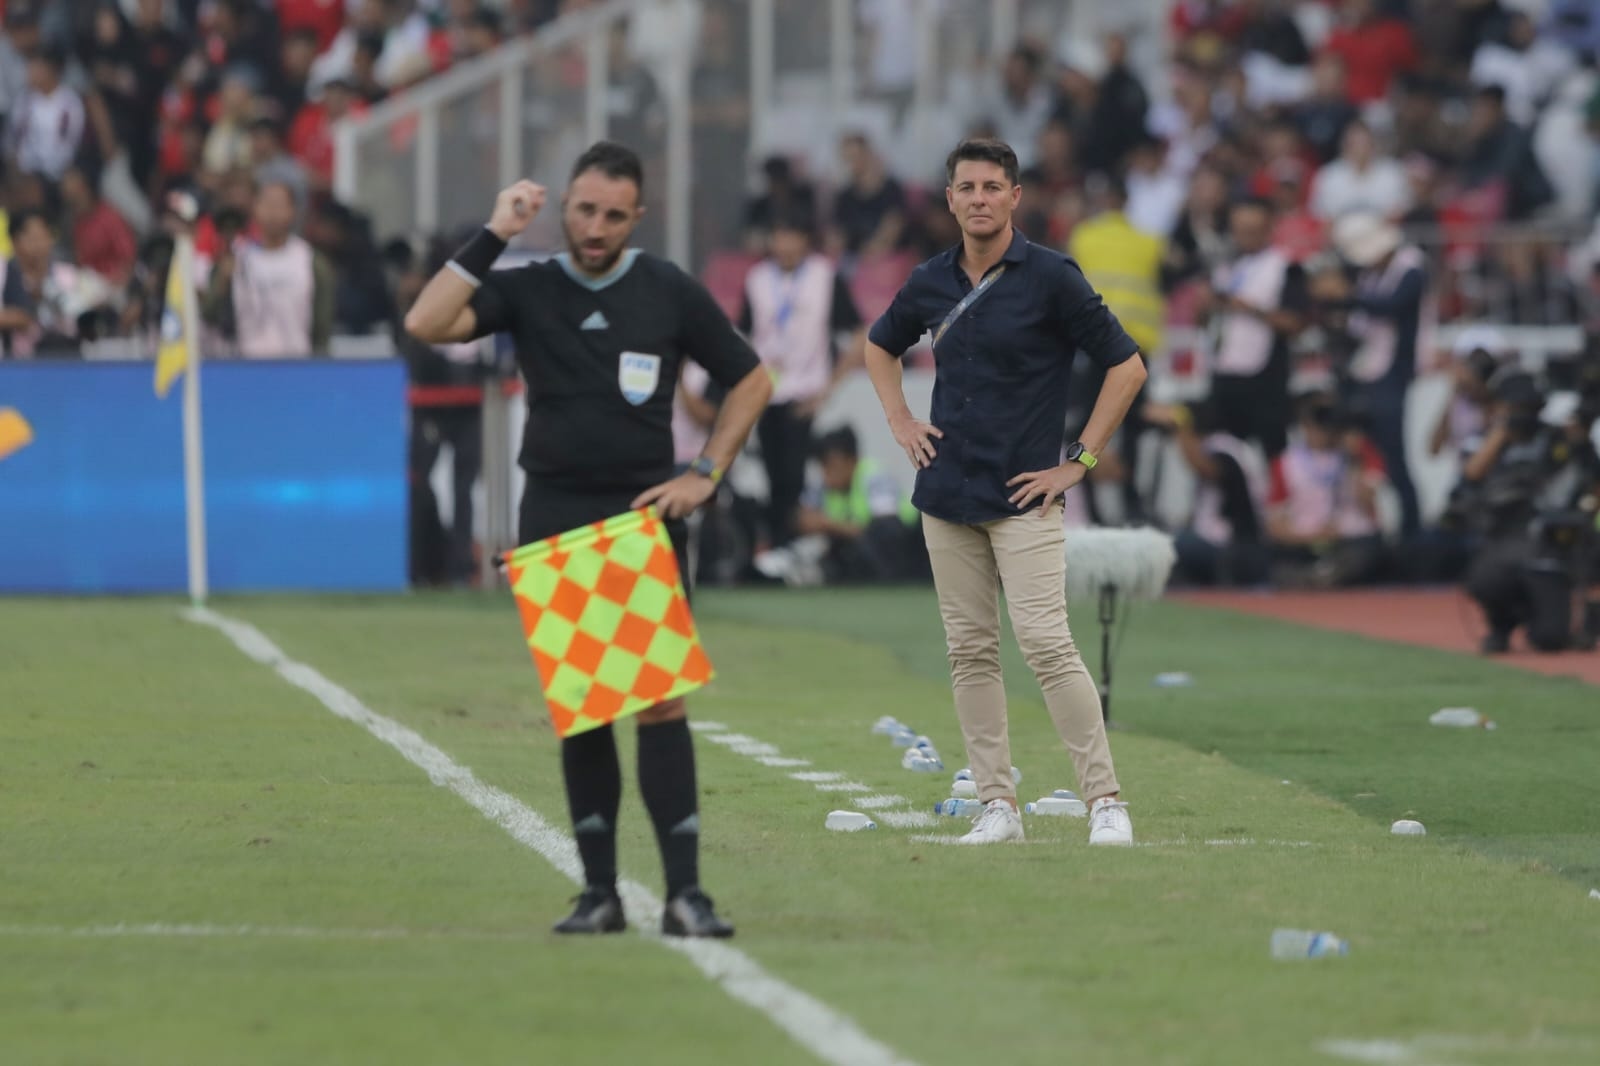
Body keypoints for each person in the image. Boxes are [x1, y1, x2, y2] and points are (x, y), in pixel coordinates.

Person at [403, 142, 772, 937]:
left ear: (636, 217)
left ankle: (686, 895)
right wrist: (496, 231)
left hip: (642, 516)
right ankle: (599, 895)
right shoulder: (530, 288)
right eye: (583, 209)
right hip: (556, 513)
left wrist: (706, 470)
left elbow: (751, 378)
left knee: (660, 704)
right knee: (584, 708)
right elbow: (426, 321)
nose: (596, 226)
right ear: (563, 206)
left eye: (612, 214)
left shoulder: (666, 288)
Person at [862, 138, 1144, 848]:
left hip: (1025, 493)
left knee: (1047, 644)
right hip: (946, 493)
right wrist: (899, 419)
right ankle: (998, 806)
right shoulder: (930, 279)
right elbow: (879, 345)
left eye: (994, 186)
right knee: (970, 653)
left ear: (1016, 197)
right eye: (968, 187)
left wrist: (1078, 461)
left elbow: (1127, 367)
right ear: (950, 199)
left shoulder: (1052, 276)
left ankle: (1105, 800)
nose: (981, 198)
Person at [737, 213, 864, 548]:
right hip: (767, 393)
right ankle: (778, 550)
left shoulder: (824, 276)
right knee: (771, 476)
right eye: (778, 236)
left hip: (808, 395)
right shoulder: (758, 278)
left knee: (798, 477)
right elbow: (744, 335)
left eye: (791, 236)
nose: (784, 245)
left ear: (806, 240)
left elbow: (860, 332)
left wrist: (828, 388)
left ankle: (799, 547)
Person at [203, 180, 335, 357]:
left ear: (293, 211)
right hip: (245, 365)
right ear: (255, 208)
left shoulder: (311, 262)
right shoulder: (236, 260)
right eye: (267, 204)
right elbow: (209, 316)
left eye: (280, 205)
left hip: (298, 363)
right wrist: (222, 282)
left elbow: (322, 325)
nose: (273, 213)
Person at [794, 425, 925, 584]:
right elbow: (803, 517)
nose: (827, 474)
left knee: (881, 532)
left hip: (906, 543)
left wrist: (828, 524)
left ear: (852, 460)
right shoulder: (824, 485)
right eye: (823, 467)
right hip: (860, 547)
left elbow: (883, 531)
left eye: (832, 466)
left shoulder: (873, 475)